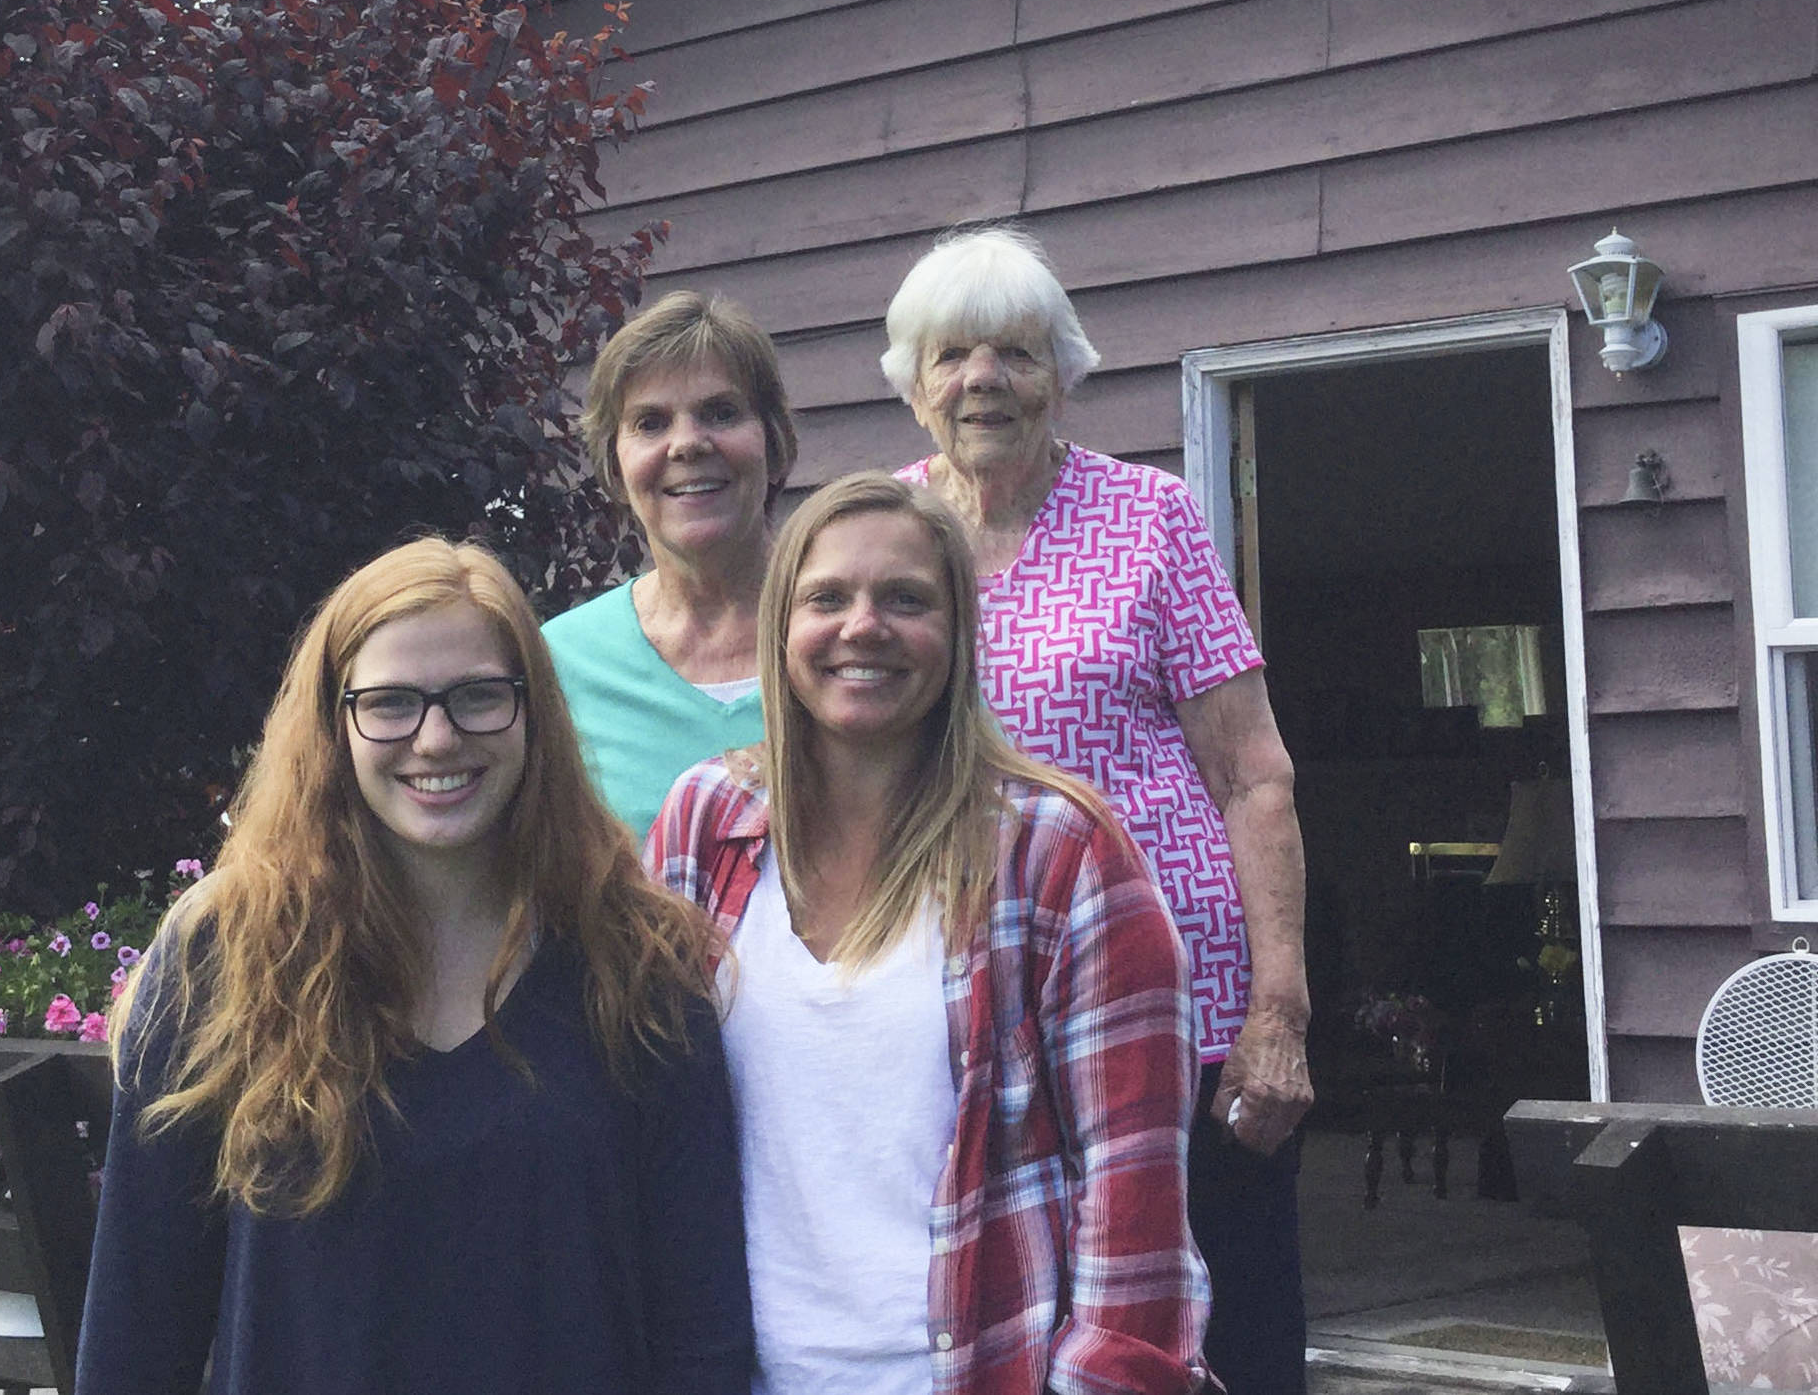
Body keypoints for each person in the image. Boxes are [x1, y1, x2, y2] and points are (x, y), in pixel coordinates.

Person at [75, 536, 752, 1395]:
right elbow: (138, 1330)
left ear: (533, 712)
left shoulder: (641, 964)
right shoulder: (225, 957)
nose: (436, 739)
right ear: (333, 722)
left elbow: (702, 1336)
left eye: (476, 697)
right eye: (390, 704)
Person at [646, 473, 1211, 1395]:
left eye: (905, 599)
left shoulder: (1060, 854)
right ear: (780, 629)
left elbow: (1135, 1199)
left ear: (958, 636)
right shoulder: (706, 824)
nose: (861, 627)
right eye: (826, 597)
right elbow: (650, 1127)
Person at [885, 226, 1314, 1394]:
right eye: (953, 353)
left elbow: (1251, 772)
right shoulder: (881, 536)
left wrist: (1278, 1011)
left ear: (1061, 372)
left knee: (1221, 1322)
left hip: (1175, 1000)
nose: (984, 379)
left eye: (1015, 353)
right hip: (964, 1001)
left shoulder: (1151, 517)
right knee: (1009, 1312)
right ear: (912, 380)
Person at [544, 290, 798, 838]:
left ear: (775, 443)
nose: (687, 443)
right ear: (615, 465)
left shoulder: (855, 634)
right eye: (651, 423)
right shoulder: (557, 664)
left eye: (720, 412)